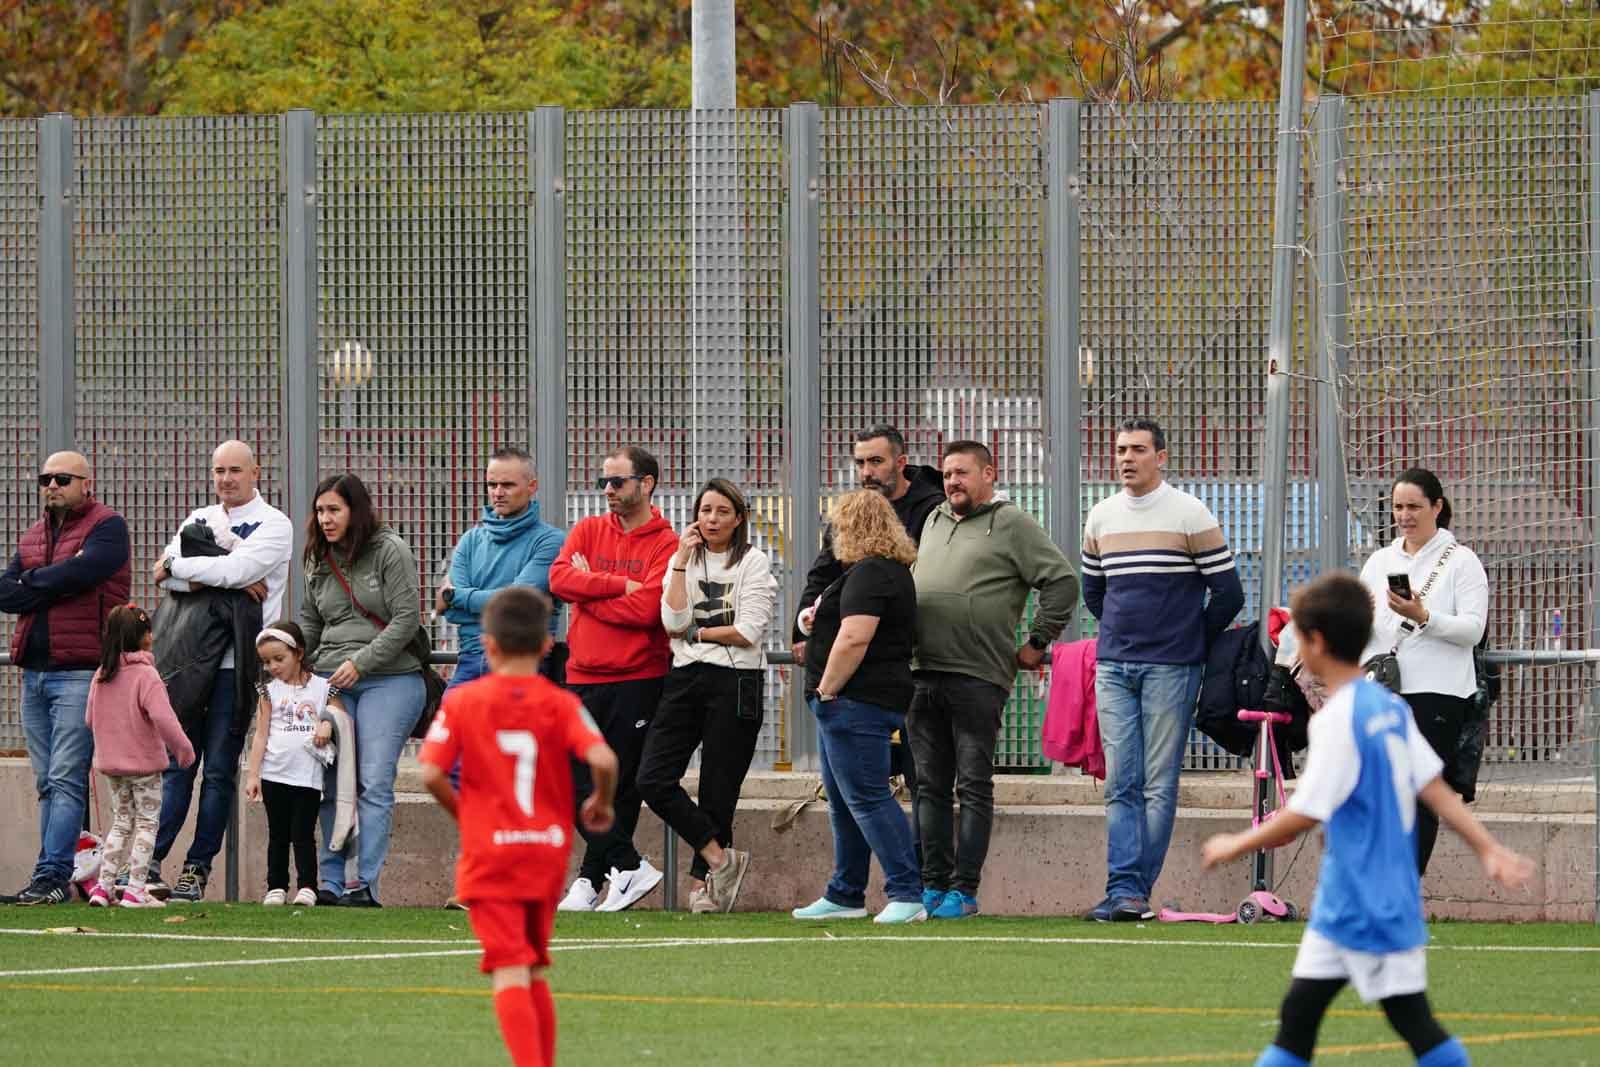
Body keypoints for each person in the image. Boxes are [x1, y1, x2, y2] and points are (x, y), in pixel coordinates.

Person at [1201, 571, 1533, 1067]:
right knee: (1305, 1021)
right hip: (1371, 897)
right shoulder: (1389, 707)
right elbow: (1436, 789)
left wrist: (1234, 844)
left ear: (1314, 643)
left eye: (1296, 637)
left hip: (1361, 901)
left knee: (1395, 1022)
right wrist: (1488, 848)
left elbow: (1303, 815)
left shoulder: (1338, 719)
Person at [419, 587, 618, 1067]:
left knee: (508, 969)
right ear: (547, 645)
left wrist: (465, 813)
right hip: (547, 850)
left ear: (487, 644)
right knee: (529, 965)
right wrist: (601, 801)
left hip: (491, 852)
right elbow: (604, 759)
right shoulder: (561, 702)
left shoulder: (464, 700)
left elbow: (428, 772)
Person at [1081, 417, 1246, 923]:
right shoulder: (1101, 516)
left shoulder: (1189, 513)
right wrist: (1119, 634)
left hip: (1172, 668)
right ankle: (1125, 889)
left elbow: (1229, 593)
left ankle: (1131, 891)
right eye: (1120, 449)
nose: (1126, 458)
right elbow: (1094, 591)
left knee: (1158, 782)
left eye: (1137, 449)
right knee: (1120, 782)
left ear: (1162, 456)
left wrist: (1190, 638)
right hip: (1114, 665)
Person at [908, 440, 1079, 919]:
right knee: (928, 786)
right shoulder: (935, 519)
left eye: (962, 473)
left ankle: (964, 891)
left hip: (979, 676)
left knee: (974, 784)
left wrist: (1037, 642)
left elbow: (1063, 581)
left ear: (988, 474)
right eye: (946, 474)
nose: (952, 482)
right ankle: (931, 886)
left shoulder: (1012, 523)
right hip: (922, 672)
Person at [149, 440, 293, 903]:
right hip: (189, 662)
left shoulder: (276, 524)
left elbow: (240, 569)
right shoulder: (200, 519)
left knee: (217, 773)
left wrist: (189, 569)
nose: (225, 478)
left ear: (256, 473)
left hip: (238, 667)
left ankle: (196, 869)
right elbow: (163, 572)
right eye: (218, 471)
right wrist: (194, 572)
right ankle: (148, 864)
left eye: (235, 470)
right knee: (176, 768)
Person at [637, 478, 778, 913]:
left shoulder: (753, 562)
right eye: (705, 511)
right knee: (652, 779)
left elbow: (747, 631)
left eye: (721, 511)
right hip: (685, 677)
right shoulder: (684, 560)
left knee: (720, 790)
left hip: (736, 683)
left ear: (738, 519)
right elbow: (670, 620)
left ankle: (704, 889)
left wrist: (696, 632)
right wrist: (680, 561)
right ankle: (721, 859)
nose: (711, 519)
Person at [548, 446, 678, 914]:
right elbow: (561, 580)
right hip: (582, 676)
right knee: (567, 777)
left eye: (617, 482)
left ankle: (590, 880)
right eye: (604, 482)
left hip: (638, 677)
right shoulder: (587, 529)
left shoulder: (666, 542)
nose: (607, 490)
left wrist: (591, 591)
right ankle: (627, 865)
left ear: (645, 484)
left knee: (618, 787)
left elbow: (648, 611)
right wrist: (617, 585)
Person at [0, 450, 131, 907]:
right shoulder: (36, 534)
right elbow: (5, 593)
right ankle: (52, 875)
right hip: (33, 674)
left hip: (79, 672)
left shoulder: (108, 527)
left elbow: (86, 571)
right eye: (45, 479)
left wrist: (34, 582)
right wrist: (53, 580)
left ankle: (52, 875)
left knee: (65, 776)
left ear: (86, 483)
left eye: (62, 478)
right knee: (45, 781)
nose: (51, 486)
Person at [792, 489, 926, 924]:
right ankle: (846, 892)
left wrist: (828, 690)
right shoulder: (873, 573)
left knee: (867, 798)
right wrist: (814, 619)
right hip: (852, 702)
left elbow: (856, 637)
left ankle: (906, 892)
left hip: (855, 701)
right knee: (843, 800)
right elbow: (841, 622)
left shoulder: (873, 572)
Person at [299, 473, 425, 907]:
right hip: (332, 682)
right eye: (320, 511)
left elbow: (408, 618)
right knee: (330, 782)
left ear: (356, 510)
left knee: (373, 779)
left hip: (390, 678)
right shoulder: (317, 556)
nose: (326, 519)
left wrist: (363, 661)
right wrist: (292, 669)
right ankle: (330, 880)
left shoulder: (390, 550)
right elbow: (311, 623)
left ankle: (363, 882)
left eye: (334, 509)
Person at [1358, 467, 1489, 876]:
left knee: (1418, 793)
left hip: (1437, 694)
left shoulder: (1462, 562)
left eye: (1414, 506)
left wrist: (1424, 616)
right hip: (1382, 691)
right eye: (1398, 506)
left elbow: (1473, 629)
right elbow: (1362, 621)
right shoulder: (1380, 560)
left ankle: (1402, 889)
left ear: (1437, 507)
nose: (1405, 515)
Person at [83, 604, 195, 910]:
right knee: (147, 824)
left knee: (120, 823)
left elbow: (90, 719)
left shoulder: (102, 673)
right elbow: (164, 718)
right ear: (143, 636)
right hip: (144, 766)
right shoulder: (147, 674)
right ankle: (134, 889)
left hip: (111, 766)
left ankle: (103, 889)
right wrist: (184, 751)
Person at [440, 447, 566, 689]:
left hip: (523, 662)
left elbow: (516, 605)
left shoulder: (550, 541)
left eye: (507, 485)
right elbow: (449, 610)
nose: (497, 493)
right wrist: (459, 602)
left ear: (532, 486)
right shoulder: (470, 539)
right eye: (491, 484)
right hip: (469, 661)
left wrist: (456, 597)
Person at [243, 621, 339, 907]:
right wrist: (253, 774)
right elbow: (260, 734)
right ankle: (276, 885)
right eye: (267, 661)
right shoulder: (268, 691)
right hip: (274, 774)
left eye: (279, 659)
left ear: (298, 653)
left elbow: (337, 713)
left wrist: (326, 723)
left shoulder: (324, 687)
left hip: (307, 776)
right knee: (278, 833)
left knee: (303, 833)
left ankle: (308, 885)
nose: (273, 666)